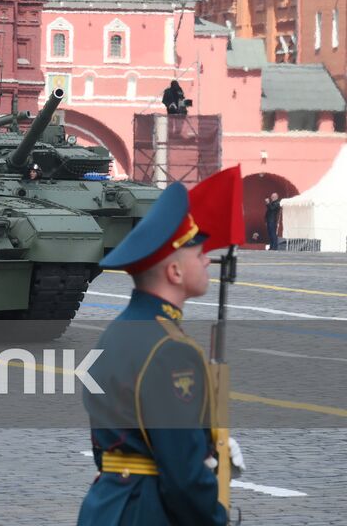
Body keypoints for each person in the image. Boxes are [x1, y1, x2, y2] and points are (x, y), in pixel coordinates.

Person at [77, 181, 235, 526]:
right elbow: (183, 472)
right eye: (198, 254)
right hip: (147, 510)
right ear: (174, 271)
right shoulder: (170, 350)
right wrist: (215, 516)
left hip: (108, 504)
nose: (208, 260)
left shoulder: (114, 334)